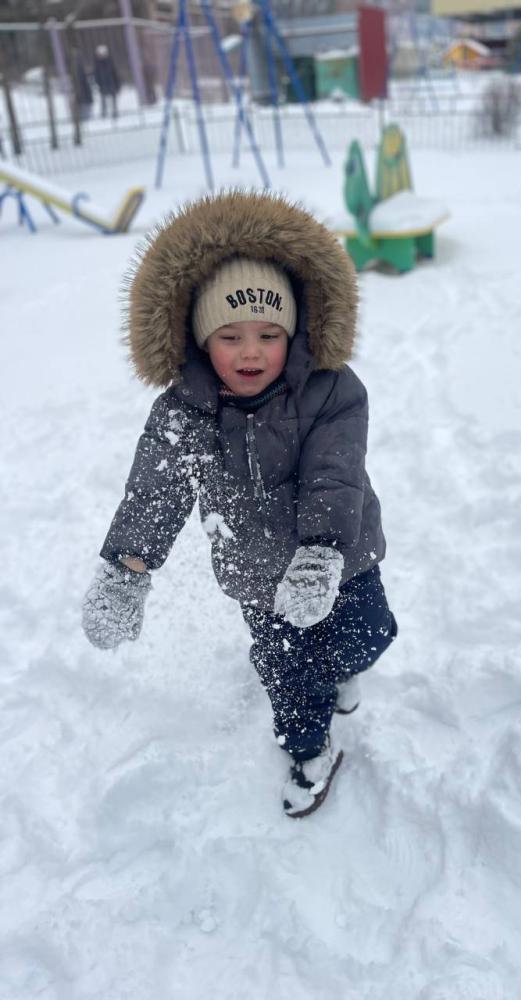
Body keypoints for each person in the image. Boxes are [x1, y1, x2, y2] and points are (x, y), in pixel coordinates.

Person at [81, 191, 397, 818]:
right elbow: (156, 488)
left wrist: (321, 552)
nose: (250, 352)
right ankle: (309, 749)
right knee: (287, 675)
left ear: (293, 333)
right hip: (255, 572)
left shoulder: (329, 390)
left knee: (365, 636)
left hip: (342, 560)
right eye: (230, 337)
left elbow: (334, 470)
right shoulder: (186, 411)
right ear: (202, 342)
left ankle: (343, 669)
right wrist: (126, 570)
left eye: (268, 335)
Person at [93, 43, 120, 119]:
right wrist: (98, 83)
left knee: (113, 99)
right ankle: (104, 113)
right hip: (103, 84)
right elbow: (96, 75)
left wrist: (117, 83)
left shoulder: (109, 62)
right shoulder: (97, 64)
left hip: (111, 83)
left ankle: (114, 112)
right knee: (103, 100)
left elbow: (114, 73)